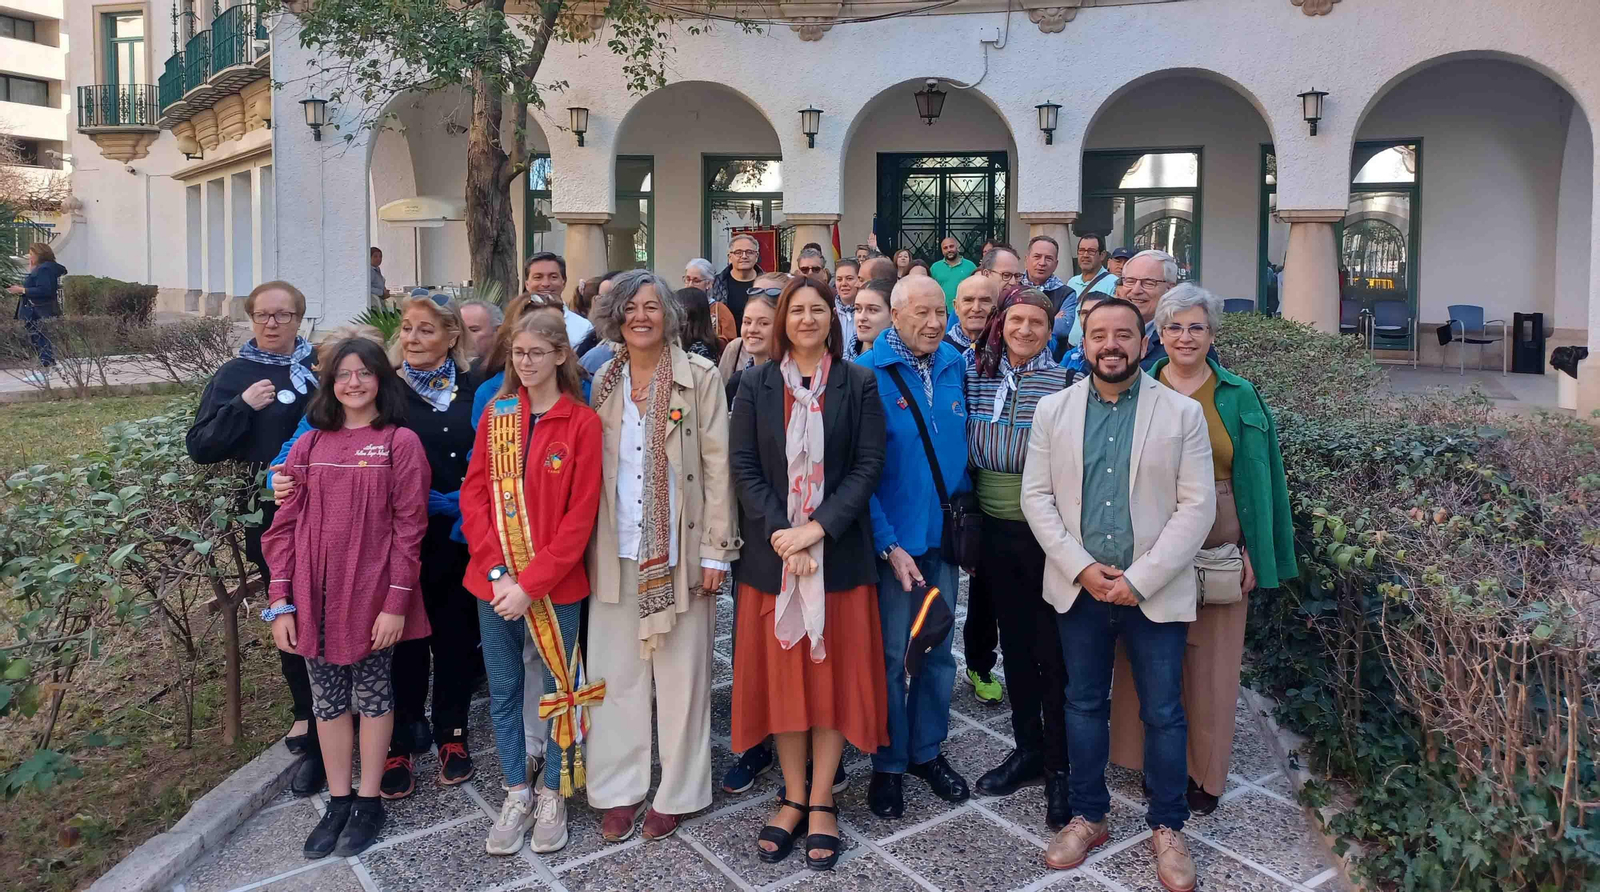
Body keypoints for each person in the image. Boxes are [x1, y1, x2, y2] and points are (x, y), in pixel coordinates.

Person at [1021, 296, 1214, 892]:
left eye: (1123, 334)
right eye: (1099, 334)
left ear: (1142, 342)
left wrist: (1139, 579)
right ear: (1083, 342)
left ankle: (1167, 825)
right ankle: (1089, 814)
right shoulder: (1053, 411)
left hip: (1152, 590)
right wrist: (1082, 569)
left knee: (1162, 710)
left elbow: (1197, 506)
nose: (1111, 344)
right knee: (1082, 704)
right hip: (1080, 591)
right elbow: (1038, 498)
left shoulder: (1181, 414)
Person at [1108, 285, 1296, 817]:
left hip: (1218, 544)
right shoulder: (1135, 389)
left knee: (1210, 662)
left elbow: (1265, 479)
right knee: (1144, 653)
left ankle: (1203, 773)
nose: (1185, 337)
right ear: (1157, 335)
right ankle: (1145, 759)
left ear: (1212, 334)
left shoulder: (1238, 395)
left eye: (1196, 327)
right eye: (1174, 327)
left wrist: (1257, 551)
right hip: (1148, 543)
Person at [729, 275, 888, 871]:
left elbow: (869, 466)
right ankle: (792, 794)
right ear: (780, 321)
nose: (806, 319)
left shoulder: (860, 383)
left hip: (838, 554)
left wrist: (816, 530)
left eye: (817, 309)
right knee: (785, 682)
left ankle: (823, 796)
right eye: (795, 310)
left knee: (831, 682)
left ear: (833, 318)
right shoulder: (753, 383)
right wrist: (782, 532)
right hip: (774, 561)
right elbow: (744, 466)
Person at [584, 270, 739, 843]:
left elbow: (720, 468)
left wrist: (717, 551)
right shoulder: (604, 378)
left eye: (652, 307)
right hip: (614, 547)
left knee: (682, 678)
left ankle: (676, 790)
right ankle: (618, 789)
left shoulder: (698, 377)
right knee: (615, 677)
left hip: (681, 548)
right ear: (616, 317)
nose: (641, 317)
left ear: (669, 315)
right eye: (631, 308)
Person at [263, 337, 431, 859]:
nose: (353, 383)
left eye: (363, 373)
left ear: (382, 378)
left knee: (375, 694)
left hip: (373, 594)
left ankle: (368, 799)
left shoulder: (399, 443)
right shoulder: (311, 444)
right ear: (329, 383)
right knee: (327, 700)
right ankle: (338, 799)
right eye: (342, 374)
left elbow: (410, 529)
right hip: (314, 594)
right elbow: (283, 527)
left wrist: (396, 603)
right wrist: (281, 601)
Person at [461, 311, 603, 855]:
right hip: (492, 583)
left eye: (536, 353)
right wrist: (499, 573)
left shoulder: (581, 423)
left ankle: (553, 792)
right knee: (502, 688)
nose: (525, 362)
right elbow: (474, 497)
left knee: (555, 688)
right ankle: (515, 789)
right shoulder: (497, 416)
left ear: (561, 356)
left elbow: (579, 517)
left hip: (555, 583)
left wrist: (532, 582)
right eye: (517, 353)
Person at [188, 280, 325, 797]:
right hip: (270, 520)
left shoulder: (323, 370)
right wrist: (242, 406)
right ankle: (305, 711)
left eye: (283, 315)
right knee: (287, 609)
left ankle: (346, 703)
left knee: (333, 608)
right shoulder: (235, 375)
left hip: (332, 514)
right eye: (263, 315)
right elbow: (201, 447)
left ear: (299, 319)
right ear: (251, 319)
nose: (272, 324)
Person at [963, 286, 1075, 828]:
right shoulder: (974, 374)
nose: (1025, 330)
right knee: (1012, 643)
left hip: (1046, 533)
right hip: (992, 530)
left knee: (1050, 650)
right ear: (1000, 324)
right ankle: (1028, 747)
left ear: (1050, 327)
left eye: (1037, 322)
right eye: (1016, 321)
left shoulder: (1066, 381)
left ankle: (1060, 765)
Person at [859, 275, 971, 818]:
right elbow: (857, 475)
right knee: (888, 656)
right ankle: (888, 762)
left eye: (940, 311)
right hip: (894, 547)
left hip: (941, 542)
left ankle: (927, 750)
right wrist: (886, 542)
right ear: (895, 315)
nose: (934, 323)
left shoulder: (955, 364)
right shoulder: (865, 373)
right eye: (922, 313)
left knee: (936, 649)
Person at [385, 297, 484, 794]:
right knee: (404, 638)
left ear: (451, 336)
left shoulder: (473, 388)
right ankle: (400, 741)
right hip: (403, 538)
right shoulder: (386, 393)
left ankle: (452, 733)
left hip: (460, 535)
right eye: (407, 329)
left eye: (426, 330)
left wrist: (466, 501)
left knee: (455, 637)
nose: (413, 338)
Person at [6, 241, 66, 373]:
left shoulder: (44, 269)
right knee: (41, 338)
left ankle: (46, 366)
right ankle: (49, 365)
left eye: (32, 254)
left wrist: (22, 290)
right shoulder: (44, 268)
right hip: (38, 310)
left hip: (38, 310)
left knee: (40, 338)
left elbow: (45, 290)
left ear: (40, 254)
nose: (30, 257)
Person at [718, 283, 779, 405]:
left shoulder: (790, 381)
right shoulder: (738, 381)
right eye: (747, 322)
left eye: (763, 323)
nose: (752, 329)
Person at [525, 252, 593, 350]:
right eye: (538, 277)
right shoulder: (514, 322)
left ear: (564, 282)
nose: (545, 284)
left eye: (553, 277)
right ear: (527, 284)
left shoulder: (584, 327)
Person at [1064, 234, 1120, 347]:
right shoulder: (1072, 282)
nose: (1085, 255)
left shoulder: (1114, 283)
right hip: (1070, 349)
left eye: (1091, 251)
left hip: (1096, 349)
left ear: (1102, 255)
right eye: (1081, 250)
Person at [711, 234, 763, 334]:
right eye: (738, 252)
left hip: (759, 340)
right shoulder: (715, 283)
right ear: (730, 257)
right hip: (725, 344)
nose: (744, 256)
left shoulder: (767, 284)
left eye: (749, 252)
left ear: (756, 256)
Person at [686, 258, 736, 348]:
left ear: (709, 283)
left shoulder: (720, 310)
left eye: (696, 281)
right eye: (687, 279)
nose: (690, 285)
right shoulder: (678, 306)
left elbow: (731, 345)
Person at [943, 273, 998, 354]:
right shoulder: (939, 350)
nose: (976, 308)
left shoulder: (1007, 350)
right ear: (956, 307)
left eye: (985, 301)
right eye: (968, 300)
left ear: (997, 306)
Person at [1023, 235, 1075, 315]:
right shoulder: (1012, 286)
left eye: (1048, 258)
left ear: (1056, 264)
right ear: (1026, 260)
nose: (1042, 263)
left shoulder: (1066, 294)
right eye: (1037, 257)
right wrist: (1052, 320)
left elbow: (1061, 327)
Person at [929, 235, 977, 315]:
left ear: (957, 247)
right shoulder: (935, 267)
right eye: (945, 248)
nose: (949, 250)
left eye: (951, 246)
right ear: (942, 251)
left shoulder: (970, 266)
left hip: (965, 311)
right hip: (942, 312)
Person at [851, 279, 893, 358]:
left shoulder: (906, 361)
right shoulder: (844, 354)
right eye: (857, 309)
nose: (862, 317)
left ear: (893, 315)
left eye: (873, 310)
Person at [832, 259, 861, 357]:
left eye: (849, 278)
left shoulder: (868, 311)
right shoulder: (828, 309)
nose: (844, 284)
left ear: (859, 280)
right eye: (839, 279)